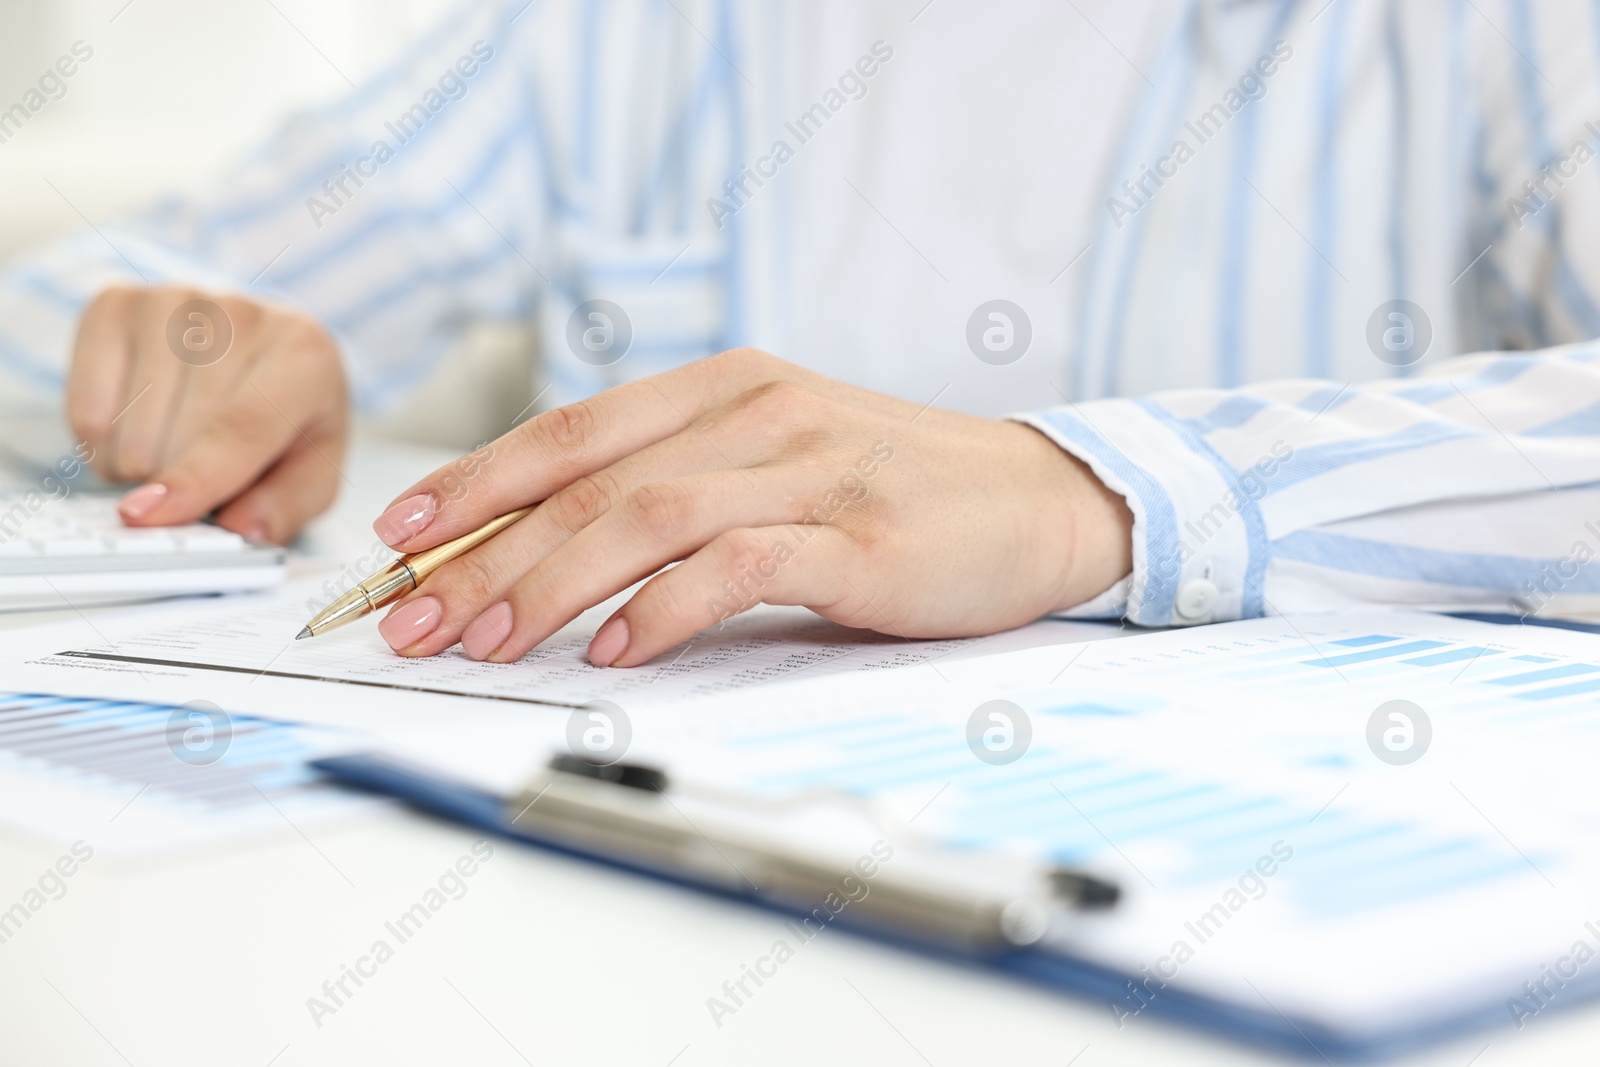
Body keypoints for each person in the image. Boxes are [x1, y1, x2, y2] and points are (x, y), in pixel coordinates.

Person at [4, 0, 1600, 668]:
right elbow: (81, 297)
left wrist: (1096, 493)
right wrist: (161, 362)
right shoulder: (626, 35)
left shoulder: (1484, 37)